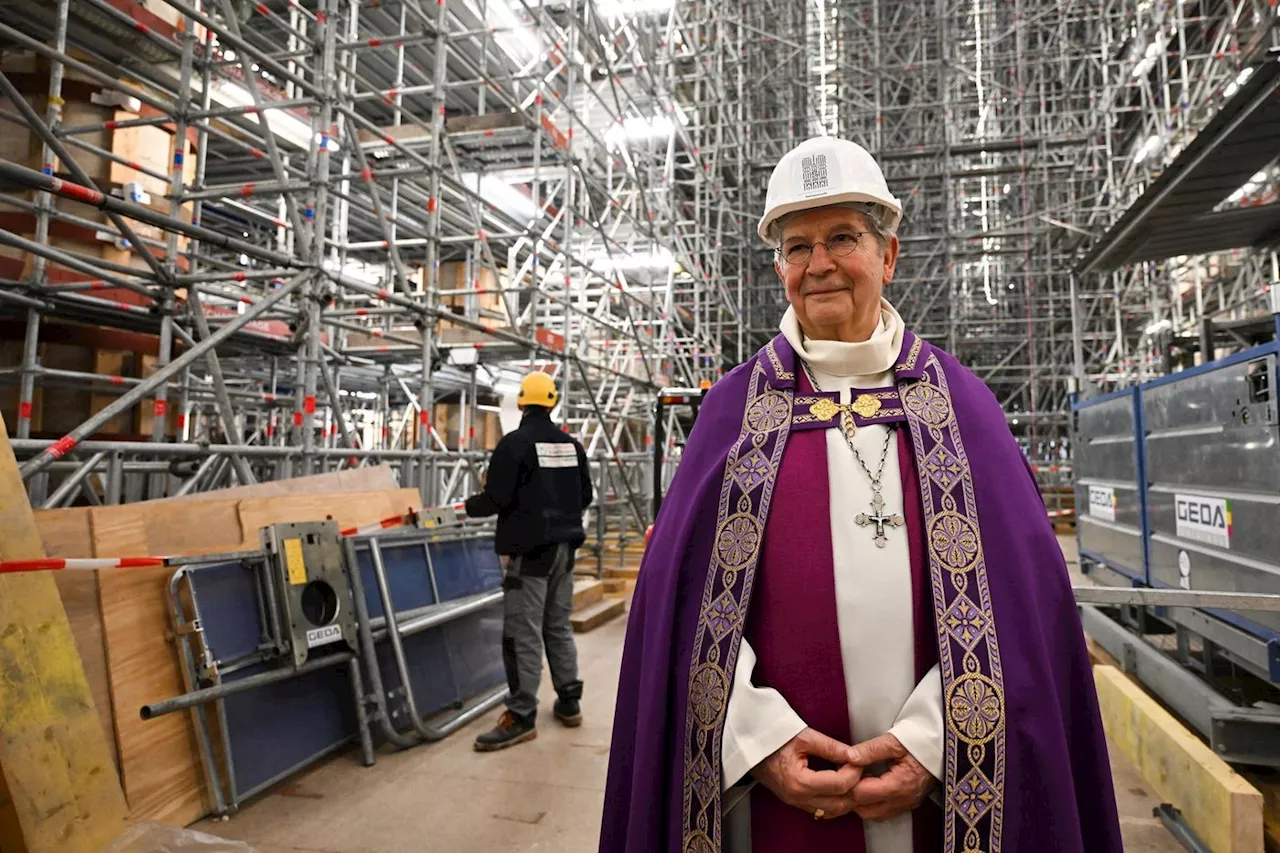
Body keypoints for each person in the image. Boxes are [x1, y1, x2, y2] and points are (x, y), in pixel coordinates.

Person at [599, 137, 1124, 853]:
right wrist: (758, 740)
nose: (817, 264)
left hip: (940, 807)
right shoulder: (730, 414)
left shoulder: (962, 408)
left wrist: (936, 745)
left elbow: (1026, 615)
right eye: (796, 246)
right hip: (771, 807)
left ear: (888, 255)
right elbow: (678, 613)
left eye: (842, 237)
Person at [464, 370, 593, 751]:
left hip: (529, 554)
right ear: (552, 402)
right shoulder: (572, 446)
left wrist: (466, 508)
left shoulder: (514, 445)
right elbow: (584, 496)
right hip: (565, 553)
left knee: (522, 632)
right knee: (557, 626)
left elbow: (496, 500)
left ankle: (521, 715)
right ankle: (569, 701)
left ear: (521, 403)